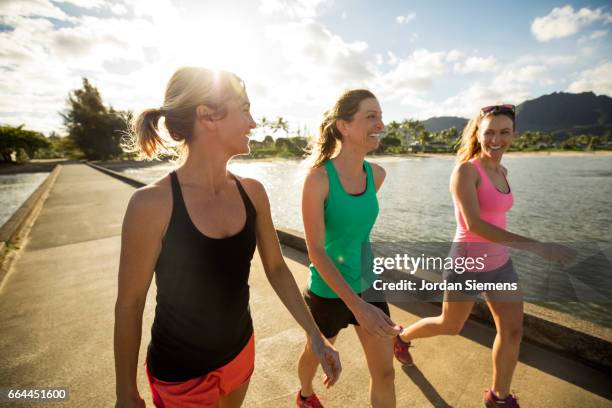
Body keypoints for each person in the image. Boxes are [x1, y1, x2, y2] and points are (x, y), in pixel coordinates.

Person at [114, 67, 341, 408]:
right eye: (245, 110)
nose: (253, 123)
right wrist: (125, 393)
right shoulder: (152, 204)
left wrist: (315, 334)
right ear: (207, 117)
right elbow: (130, 305)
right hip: (181, 373)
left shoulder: (253, 192)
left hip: (240, 353)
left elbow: (277, 269)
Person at [393, 104, 576, 408]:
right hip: (468, 263)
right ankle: (401, 338)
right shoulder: (466, 171)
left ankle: (499, 398)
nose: (496, 138)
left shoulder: (502, 171)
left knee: (513, 330)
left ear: (514, 135)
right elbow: (475, 225)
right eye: (489, 131)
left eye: (504, 132)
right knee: (450, 325)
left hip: (500, 264)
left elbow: (498, 219)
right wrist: (540, 246)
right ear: (478, 134)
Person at [296, 89, 400, 408]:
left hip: (368, 286)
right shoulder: (318, 180)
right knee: (314, 356)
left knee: (385, 374)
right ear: (344, 125)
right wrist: (356, 305)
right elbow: (316, 250)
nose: (380, 124)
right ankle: (304, 394)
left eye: (381, 117)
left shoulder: (377, 175)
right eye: (371, 116)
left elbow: (361, 236)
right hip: (328, 292)